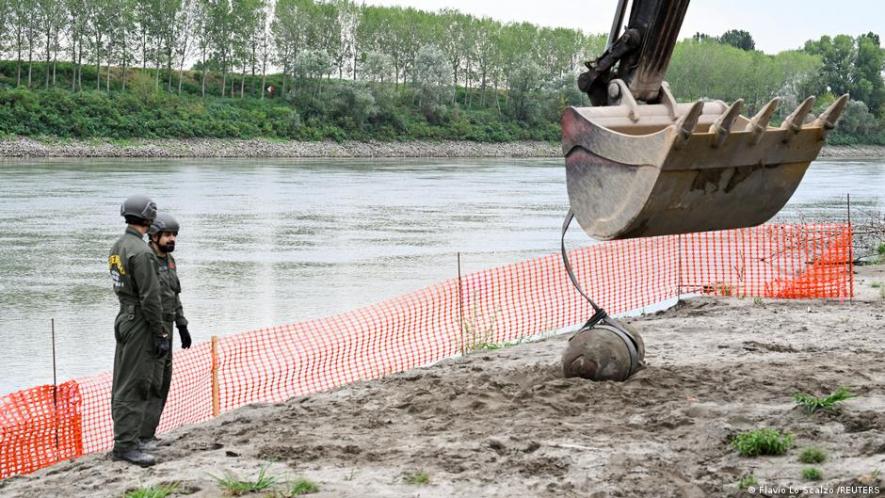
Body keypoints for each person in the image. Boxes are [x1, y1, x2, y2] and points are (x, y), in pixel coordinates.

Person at [108, 195, 169, 467]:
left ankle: (126, 441)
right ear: (149, 218)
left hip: (124, 316)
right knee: (136, 383)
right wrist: (160, 333)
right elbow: (151, 298)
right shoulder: (142, 252)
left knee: (123, 381)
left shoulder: (118, 245)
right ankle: (126, 446)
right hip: (141, 321)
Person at [141, 213, 191, 450]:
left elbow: (174, 295)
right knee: (150, 382)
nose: (172, 239)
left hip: (169, 327)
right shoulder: (146, 259)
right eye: (168, 235)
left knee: (163, 383)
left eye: (174, 235)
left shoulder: (169, 261)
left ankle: (149, 434)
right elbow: (147, 299)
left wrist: (182, 325)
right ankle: (141, 436)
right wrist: (158, 333)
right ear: (154, 236)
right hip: (152, 329)